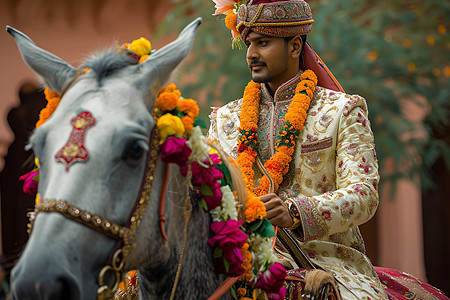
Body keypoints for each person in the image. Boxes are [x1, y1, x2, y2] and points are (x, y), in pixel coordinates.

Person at [207, 0, 448, 299]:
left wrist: (295, 212)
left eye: (263, 43)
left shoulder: (342, 110)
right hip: (239, 260)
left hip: (329, 262)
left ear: (295, 46)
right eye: (249, 45)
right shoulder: (224, 120)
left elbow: (364, 195)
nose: (251, 54)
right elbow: (209, 197)